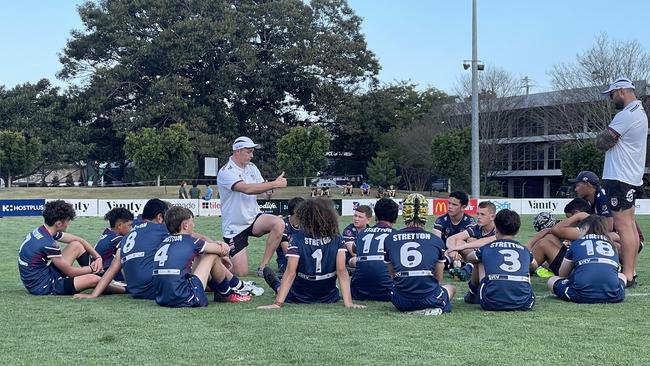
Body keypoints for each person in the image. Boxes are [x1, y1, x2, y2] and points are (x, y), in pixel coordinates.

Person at [258, 198, 365, 309]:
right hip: (328, 296)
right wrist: (349, 304)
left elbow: (290, 273)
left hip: (299, 296)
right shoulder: (337, 238)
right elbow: (342, 272)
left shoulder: (297, 238)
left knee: (284, 287)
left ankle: (277, 285)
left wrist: (277, 304)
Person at [595, 77, 648, 288]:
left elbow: (602, 141)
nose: (611, 99)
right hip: (630, 176)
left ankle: (626, 274)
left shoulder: (626, 115)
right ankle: (631, 271)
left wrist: (600, 137)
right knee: (630, 226)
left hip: (620, 176)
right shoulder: (639, 112)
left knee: (623, 226)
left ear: (622, 91)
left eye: (612, 94)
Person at [153, 206, 251, 307]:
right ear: (185, 226)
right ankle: (226, 293)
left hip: (162, 298)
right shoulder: (190, 241)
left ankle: (222, 289)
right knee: (212, 256)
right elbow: (221, 251)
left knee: (199, 255)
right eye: (192, 222)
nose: (194, 225)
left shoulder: (163, 242)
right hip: (186, 298)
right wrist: (222, 245)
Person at [217, 136, 287, 276]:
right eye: (248, 152)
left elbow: (261, 189)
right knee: (240, 273)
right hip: (234, 227)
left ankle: (263, 268)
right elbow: (247, 189)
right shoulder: (226, 172)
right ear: (237, 151)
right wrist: (274, 184)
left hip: (253, 218)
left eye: (252, 152)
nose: (252, 155)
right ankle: (218, 258)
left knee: (278, 223)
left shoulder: (252, 168)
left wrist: (268, 191)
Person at [18, 200, 118, 296]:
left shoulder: (43, 230)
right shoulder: (48, 244)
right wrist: (93, 269)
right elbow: (70, 272)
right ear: (58, 224)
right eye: (67, 220)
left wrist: (98, 257)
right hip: (44, 287)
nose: (68, 223)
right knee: (94, 280)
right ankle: (124, 289)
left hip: (41, 276)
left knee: (76, 245)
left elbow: (79, 240)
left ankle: (104, 276)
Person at [383, 193, 456, 316]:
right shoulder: (436, 240)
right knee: (451, 288)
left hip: (401, 301)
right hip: (430, 298)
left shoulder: (390, 239)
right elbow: (439, 279)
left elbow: (392, 275)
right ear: (425, 212)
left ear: (405, 212)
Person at [464, 209, 537, 311]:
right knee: (526, 264)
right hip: (525, 303)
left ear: (496, 228)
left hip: (491, 302)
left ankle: (473, 293)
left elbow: (469, 258)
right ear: (517, 230)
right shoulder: (525, 250)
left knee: (479, 259)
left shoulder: (487, 247)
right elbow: (535, 266)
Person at [547, 215, 626, 304]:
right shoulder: (611, 244)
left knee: (552, 280)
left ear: (585, 228)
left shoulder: (576, 243)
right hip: (613, 295)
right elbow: (615, 271)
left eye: (579, 229)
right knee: (622, 276)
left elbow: (562, 274)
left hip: (581, 295)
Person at [350, 198, 398, 301]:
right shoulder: (396, 236)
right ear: (395, 218)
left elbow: (354, 250)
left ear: (376, 216)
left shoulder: (363, 233)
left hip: (358, 291)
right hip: (387, 292)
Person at [446, 201, 497, 280]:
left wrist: (462, 247)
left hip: (494, 261)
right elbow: (451, 238)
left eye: (482, 214)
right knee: (458, 242)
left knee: (483, 250)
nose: (479, 217)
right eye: (478, 214)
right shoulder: (477, 228)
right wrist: (453, 249)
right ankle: (446, 264)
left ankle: (467, 270)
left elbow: (487, 241)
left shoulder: (499, 229)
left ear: (492, 217)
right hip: (475, 256)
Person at [432, 191, 476, 270]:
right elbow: (436, 242)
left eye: (454, 204)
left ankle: (464, 267)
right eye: (449, 203)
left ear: (463, 207)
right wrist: (451, 250)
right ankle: (447, 264)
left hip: (462, 252)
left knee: (469, 241)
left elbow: (472, 243)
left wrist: (455, 249)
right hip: (447, 252)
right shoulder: (440, 220)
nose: (450, 207)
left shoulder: (470, 221)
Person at [91, 207, 134, 281]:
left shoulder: (107, 233)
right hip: (103, 273)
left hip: (95, 269)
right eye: (129, 225)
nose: (132, 228)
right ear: (119, 226)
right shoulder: (117, 239)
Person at [275, 197, 305, 274]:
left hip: (302, 259)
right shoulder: (282, 225)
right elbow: (288, 253)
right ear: (296, 211)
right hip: (286, 262)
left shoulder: (306, 225)